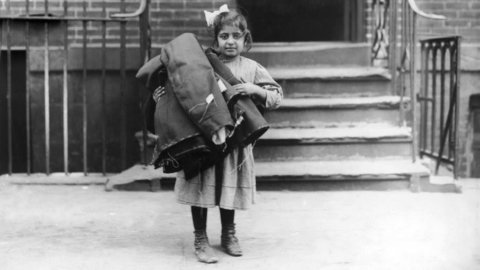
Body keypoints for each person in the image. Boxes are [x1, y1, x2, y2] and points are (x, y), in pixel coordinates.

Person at [174, 5, 283, 264]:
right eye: (224, 36)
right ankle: (200, 238)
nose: (230, 42)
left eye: (236, 36)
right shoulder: (204, 63)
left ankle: (228, 234)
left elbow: (277, 96)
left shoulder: (253, 68)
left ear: (246, 40)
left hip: (236, 141)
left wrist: (254, 90)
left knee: (228, 187)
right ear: (216, 39)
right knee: (201, 185)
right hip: (206, 137)